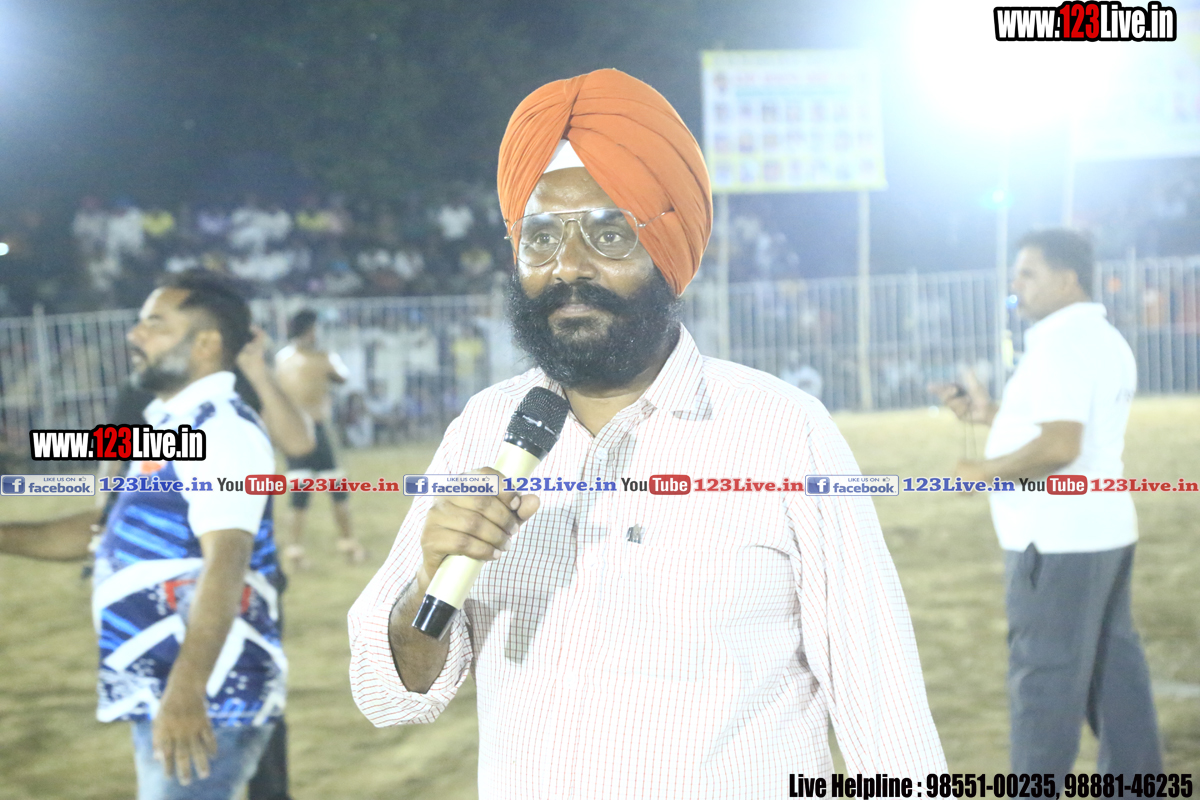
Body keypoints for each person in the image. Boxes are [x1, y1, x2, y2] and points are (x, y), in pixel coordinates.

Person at [348, 68, 945, 798]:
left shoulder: (782, 432)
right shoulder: (485, 428)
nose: (568, 265)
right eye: (540, 238)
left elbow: (879, 697)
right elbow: (390, 692)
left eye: (608, 234)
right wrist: (427, 581)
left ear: (666, 247)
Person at [0, 269, 288, 799]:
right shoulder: (174, 427)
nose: (136, 335)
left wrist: (186, 692)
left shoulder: (221, 430)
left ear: (205, 343)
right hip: (169, 685)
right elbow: (104, 530)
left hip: (204, 694)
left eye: (155, 323)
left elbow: (227, 563)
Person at [931, 228, 1162, 778]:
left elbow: (1060, 445)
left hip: (1056, 542)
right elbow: (1061, 425)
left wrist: (982, 472)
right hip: (1102, 531)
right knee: (1115, 679)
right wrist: (992, 415)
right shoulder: (1101, 337)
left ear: (1067, 279)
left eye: (1028, 273)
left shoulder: (1060, 343)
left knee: (1045, 684)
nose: (1016, 284)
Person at [89, 325, 311, 800]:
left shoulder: (236, 390)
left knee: (247, 720)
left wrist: (256, 368)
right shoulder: (146, 393)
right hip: (166, 616)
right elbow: (114, 461)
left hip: (238, 589)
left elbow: (299, 443)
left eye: (158, 323)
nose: (139, 336)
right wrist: (111, 525)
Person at [274, 309, 365, 568]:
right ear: (310, 330)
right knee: (337, 487)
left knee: (299, 489)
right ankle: (349, 544)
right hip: (317, 429)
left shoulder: (282, 359)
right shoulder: (323, 357)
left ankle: (294, 549)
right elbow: (342, 377)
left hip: (291, 431)